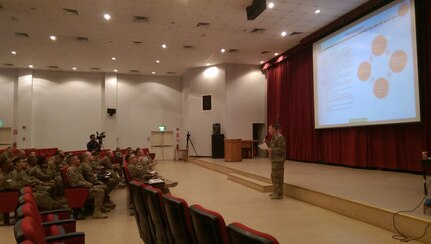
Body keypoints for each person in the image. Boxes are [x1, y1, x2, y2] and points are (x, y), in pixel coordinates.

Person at [268, 124, 286, 200]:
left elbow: (281, 149)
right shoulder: (274, 138)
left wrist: (272, 150)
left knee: (278, 177)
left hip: (278, 161)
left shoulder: (280, 138)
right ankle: (275, 191)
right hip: (274, 160)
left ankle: (279, 194)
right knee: (274, 177)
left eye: (270, 129)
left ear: (275, 129)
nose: (269, 131)